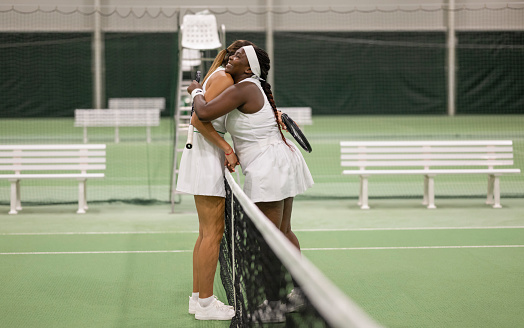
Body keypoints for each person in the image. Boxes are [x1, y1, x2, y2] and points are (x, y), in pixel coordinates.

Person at [188, 44, 314, 322]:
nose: (231, 56)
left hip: (270, 167)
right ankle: (302, 291)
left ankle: (274, 305)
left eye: (238, 56)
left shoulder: (244, 88)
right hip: (282, 161)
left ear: (249, 68)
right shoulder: (255, 87)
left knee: (268, 241)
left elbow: (204, 112)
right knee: (283, 233)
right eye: (232, 54)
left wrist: (196, 89)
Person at [176, 40, 254, 321]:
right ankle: (207, 305)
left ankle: (198, 299)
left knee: (205, 232)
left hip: (203, 155)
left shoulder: (218, 75)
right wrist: (227, 148)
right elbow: (199, 120)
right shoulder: (222, 77)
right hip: (206, 156)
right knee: (212, 233)